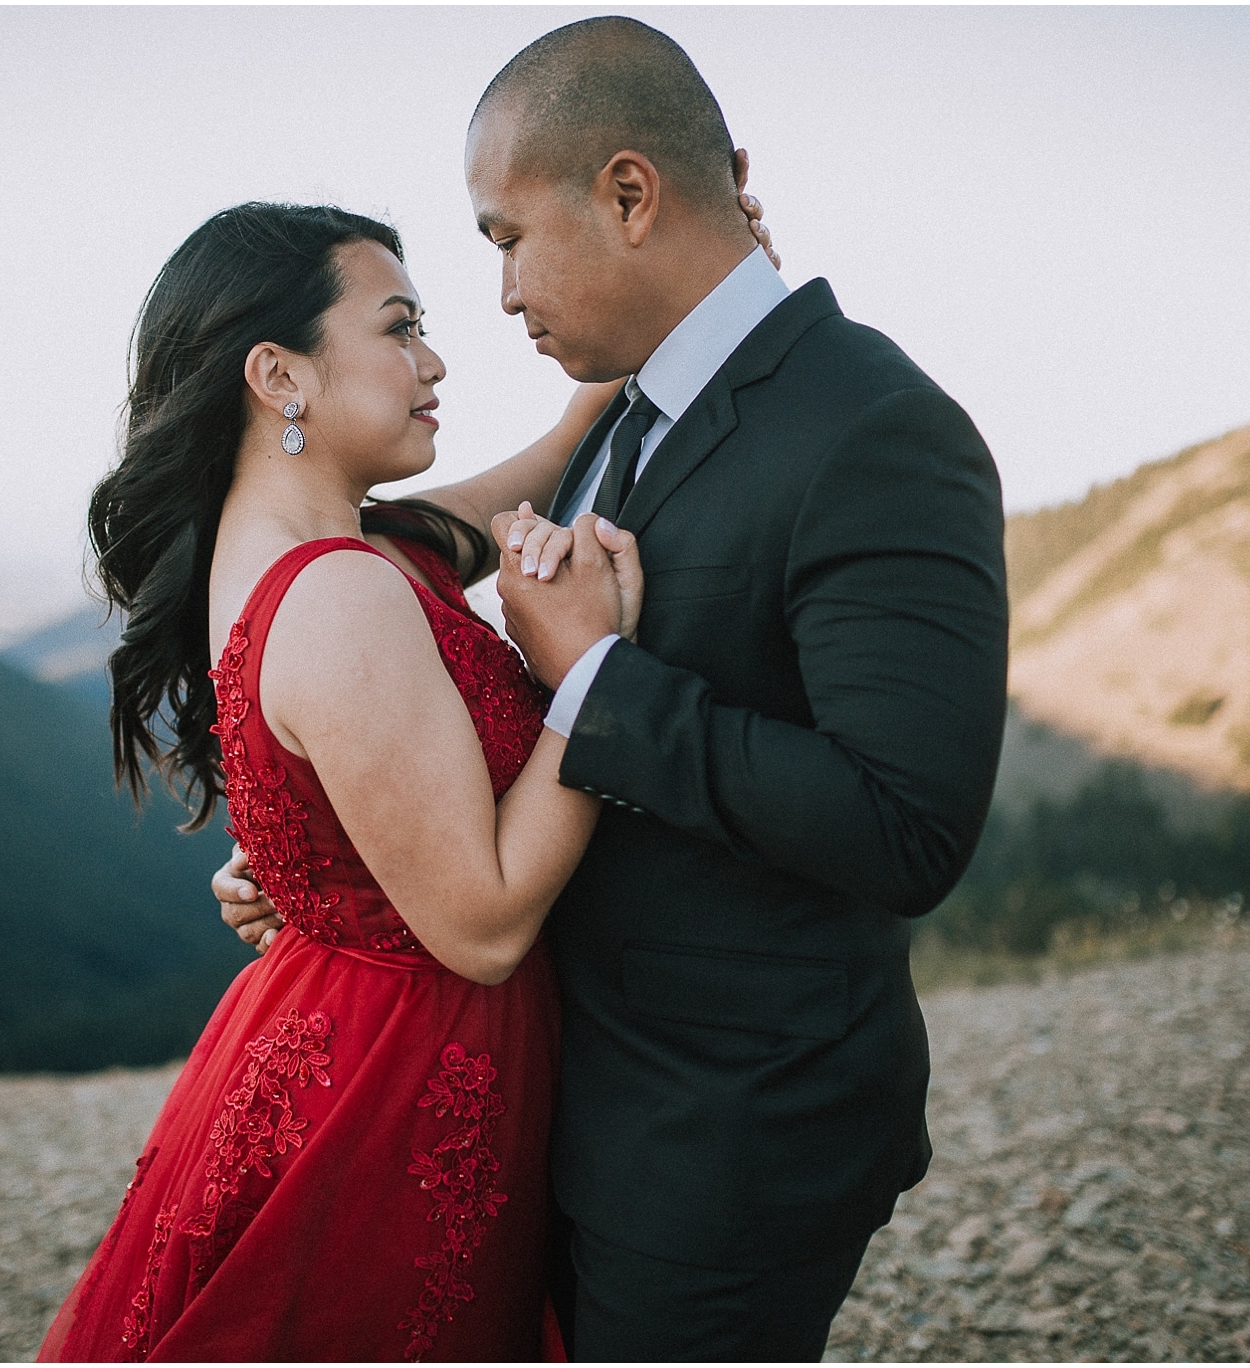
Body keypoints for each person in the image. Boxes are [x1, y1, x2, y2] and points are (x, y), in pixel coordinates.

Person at [218, 17, 1009, 1362]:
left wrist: (600, 678)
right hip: (572, 1107)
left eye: (506, 238)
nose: (504, 292)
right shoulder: (626, 417)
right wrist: (334, 832)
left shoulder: (876, 428)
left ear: (629, 194)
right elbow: (398, 568)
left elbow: (905, 827)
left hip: (725, 1144)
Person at [39, 193, 769, 1361]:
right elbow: (479, 926)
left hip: (337, 1023)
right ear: (279, 375)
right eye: (399, 326)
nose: (433, 360)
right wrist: (591, 675)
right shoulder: (339, 592)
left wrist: (677, 301)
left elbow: (544, 465)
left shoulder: (342, 547)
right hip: (398, 1084)